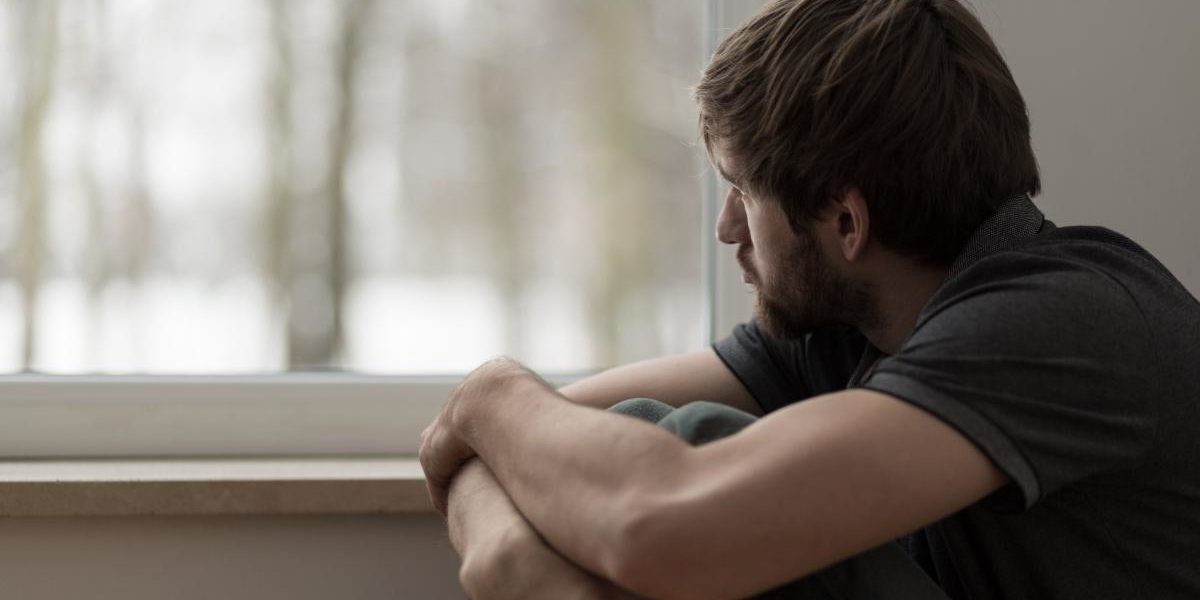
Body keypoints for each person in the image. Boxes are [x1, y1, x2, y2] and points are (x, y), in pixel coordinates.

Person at [419, 0, 1200, 598]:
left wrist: (488, 393)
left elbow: (644, 518)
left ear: (847, 222)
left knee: (685, 451)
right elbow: (532, 436)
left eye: (741, 193)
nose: (727, 229)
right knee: (642, 438)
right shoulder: (859, 323)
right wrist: (511, 554)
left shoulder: (1063, 320)